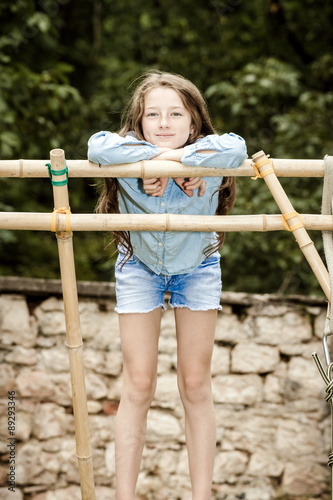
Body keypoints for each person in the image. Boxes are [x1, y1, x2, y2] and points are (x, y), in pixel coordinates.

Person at [88, 71, 247, 500]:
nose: (164, 123)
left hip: (197, 267)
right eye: (152, 114)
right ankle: (123, 496)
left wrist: (184, 162)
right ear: (138, 123)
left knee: (195, 383)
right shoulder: (126, 154)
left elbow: (238, 146)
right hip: (138, 266)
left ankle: (201, 496)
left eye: (175, 113)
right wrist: (149, 163)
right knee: (138, 383)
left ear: (193, 122)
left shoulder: (209, 153)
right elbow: (95, 145)